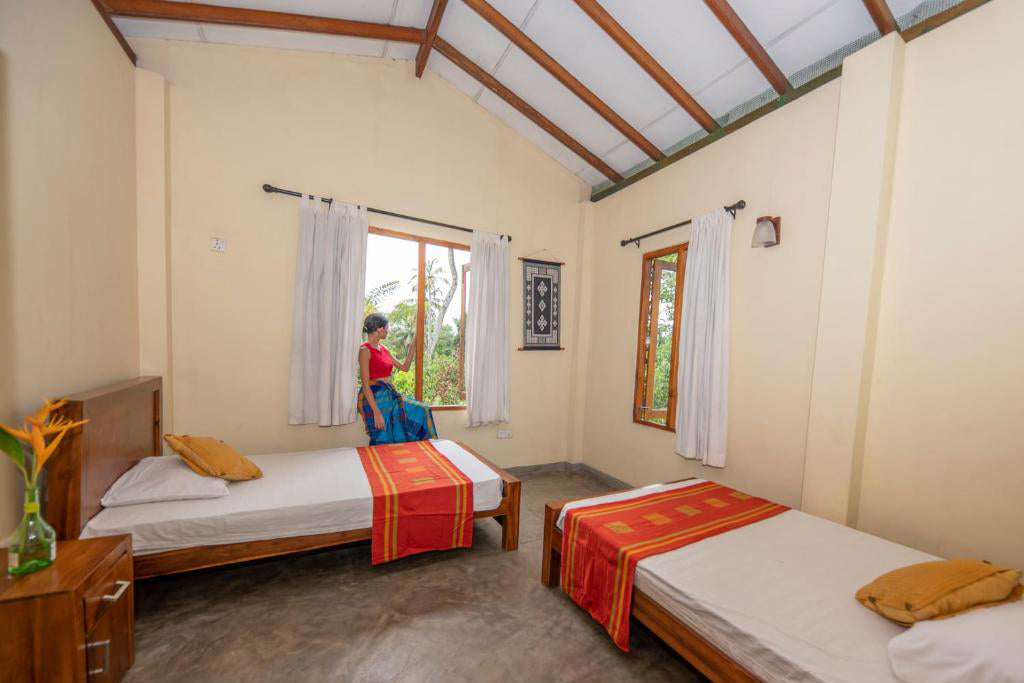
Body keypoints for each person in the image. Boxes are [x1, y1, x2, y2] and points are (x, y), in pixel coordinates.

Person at [358, 313, 438, 445]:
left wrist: (412, 347)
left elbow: (405, 367)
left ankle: (426, 448)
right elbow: (365, 385)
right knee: (384, 436)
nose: (388, 330)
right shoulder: (364, 350)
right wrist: (376, 413)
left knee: (422, 409)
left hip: (391, 395)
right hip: (376, 399)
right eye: (387, 327)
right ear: (379, 329)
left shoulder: (384, 349)